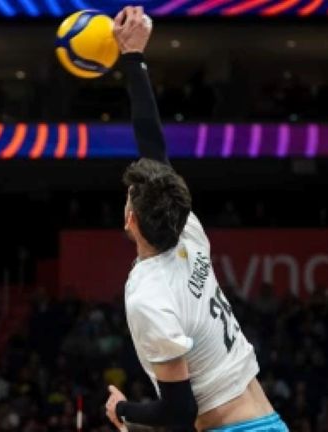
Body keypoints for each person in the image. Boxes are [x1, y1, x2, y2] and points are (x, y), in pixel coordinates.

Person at [103, 7, 288, 432]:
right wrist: (133, 57)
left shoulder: (149, 295)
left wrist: (123, 410)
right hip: (268, 421)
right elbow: (152, 144)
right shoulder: (188, 228)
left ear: (131, 220)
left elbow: (179, 412)